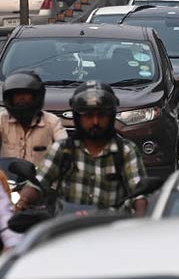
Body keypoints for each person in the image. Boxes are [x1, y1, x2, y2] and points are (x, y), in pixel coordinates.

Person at [15, 82, 150, 217]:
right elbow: (38, 183)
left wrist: (140, 219)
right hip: (66, 228)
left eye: (101, 115)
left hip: (111, 231)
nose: (95, 122)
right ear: (77, 117)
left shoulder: (126, 150)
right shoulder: (63, 149)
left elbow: (139, 193)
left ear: (111, 116)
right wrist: (23, 201)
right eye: (88, 115)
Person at [0, 72, 67, 167]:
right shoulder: (2, 120)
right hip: (7, 180)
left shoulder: (52, 122)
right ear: (10, 98)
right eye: (17, 94)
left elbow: (64, 148)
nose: (21, 98)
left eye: (26, 94)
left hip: (40, 179)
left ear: (37, 96)